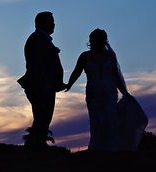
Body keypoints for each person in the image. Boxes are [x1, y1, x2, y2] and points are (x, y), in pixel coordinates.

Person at [65, 29, 130, 151]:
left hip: (110, 92)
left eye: (97, 39)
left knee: (110, 119)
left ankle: (111, 148)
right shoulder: (84, 56)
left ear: (103, 40)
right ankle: (97, 148)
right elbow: (76, 72)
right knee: (96, 121)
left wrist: (125, 92)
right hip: (93, 93)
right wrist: (69, 84)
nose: (94, 42)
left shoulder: (110, 55)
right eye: (93, 39)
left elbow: (116, 75)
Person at [18, 11, 66, 150]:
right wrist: (47, 84)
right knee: (42, 116)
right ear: (42, 23)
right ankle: (36, 146)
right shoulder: (38, 39)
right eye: (51, 21)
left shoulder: (40, 39)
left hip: (45, 85)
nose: (54, 24)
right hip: (41, 86)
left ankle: (36, 144)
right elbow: (40, 65)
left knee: (43, 116)